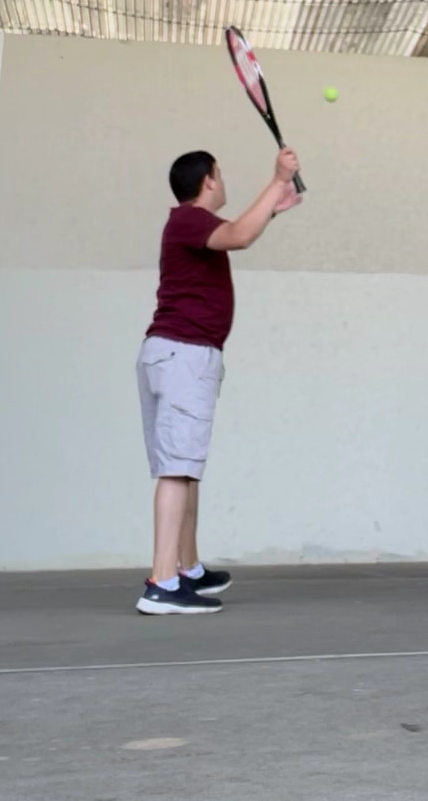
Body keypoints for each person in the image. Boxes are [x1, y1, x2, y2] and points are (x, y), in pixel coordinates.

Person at [135, 145, 302, 616]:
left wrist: (274, 208)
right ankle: (161, 583)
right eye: (221, 175)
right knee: (176, 469)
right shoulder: (189, 219)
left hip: (177, 355)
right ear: (208, 180)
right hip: (183, 355)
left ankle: (187, 569)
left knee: (185, 466)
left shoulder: (194, 227)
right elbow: (240, 236)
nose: (223, 182)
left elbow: (239, 232)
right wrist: (276, 180)